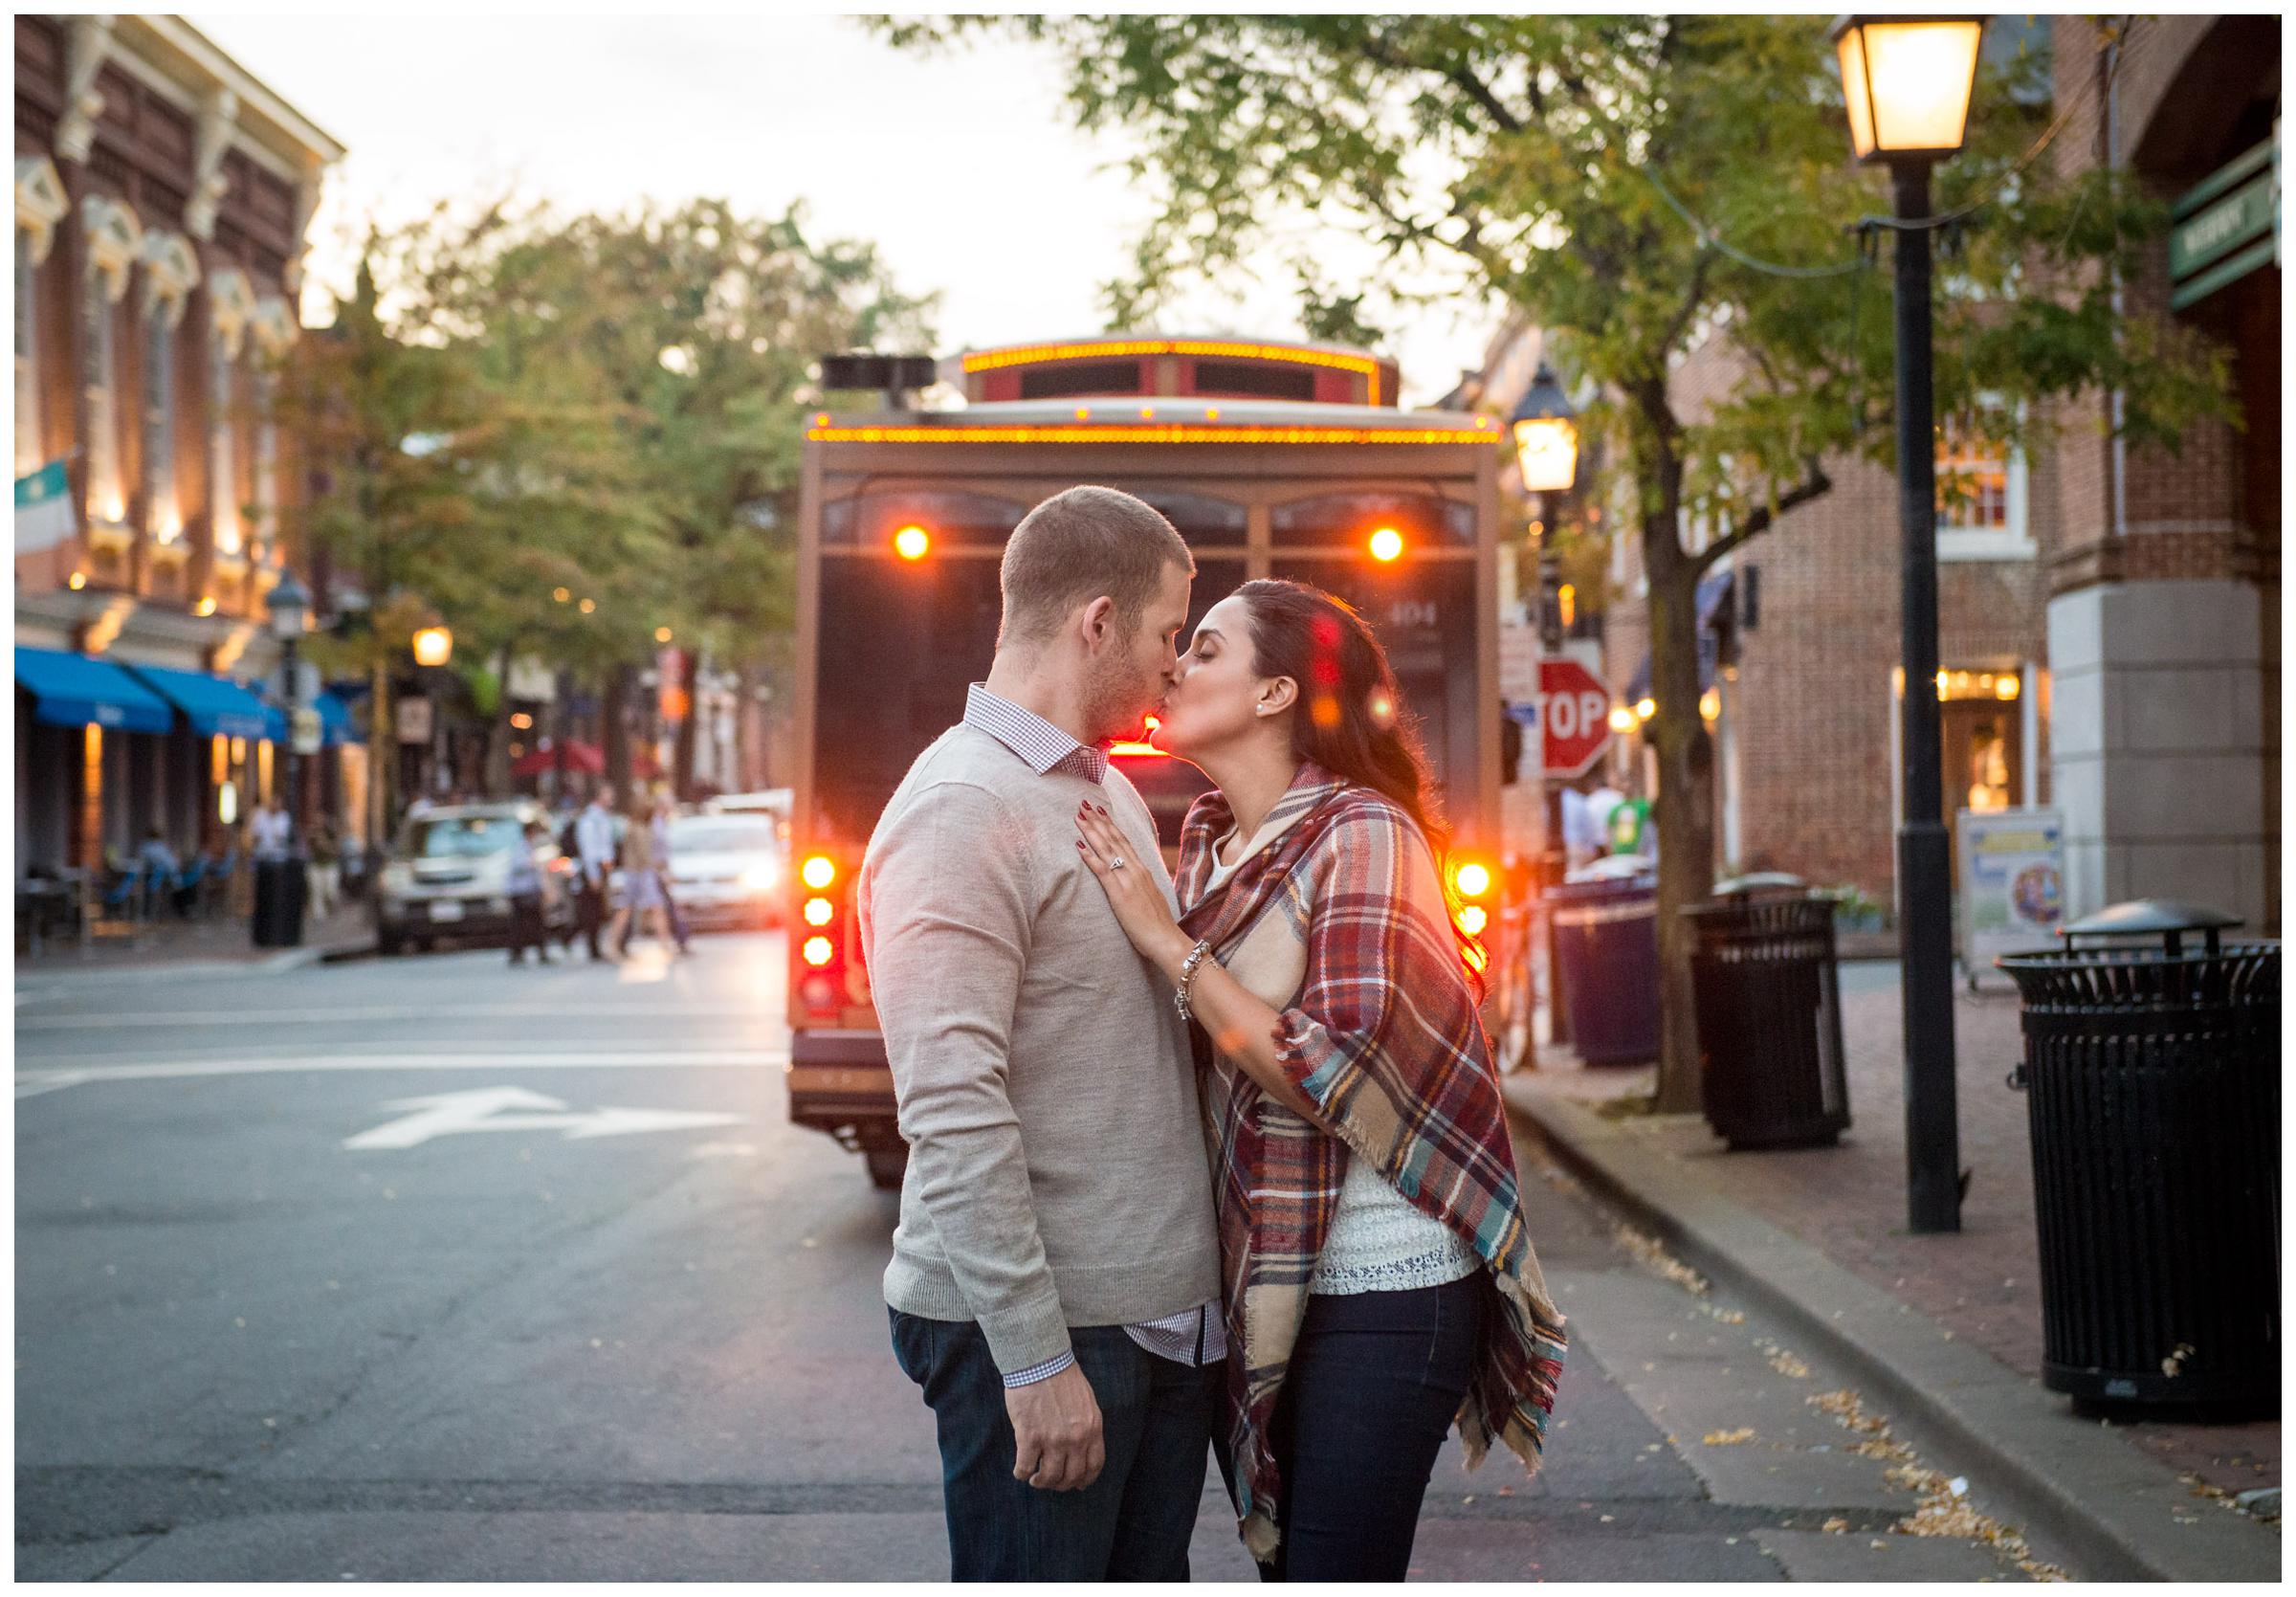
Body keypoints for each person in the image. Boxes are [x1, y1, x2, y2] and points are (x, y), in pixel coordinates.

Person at [1072, 578, 1570, 1580]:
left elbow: (1324, 1064)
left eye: (1207, 649)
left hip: (1389, 1284)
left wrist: (1167, 945)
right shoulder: (1209, 843)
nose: (1176, 665)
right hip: (1266, 1280)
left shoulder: (1366, 834)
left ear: (1275, 694)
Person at [860, 486, 1222, 1582]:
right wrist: (1032, 1361)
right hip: (1054, 1335)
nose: (1177, 665)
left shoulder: (1103, 785)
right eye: (1168, 634)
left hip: (1154, 1326)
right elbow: (953, 1107)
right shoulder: (959, 808)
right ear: (1096, 621)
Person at [620, 786, 691, 958]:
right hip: (648, 871)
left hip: (650, 871)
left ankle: (678, 941)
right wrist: (662, 871)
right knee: (651, 908)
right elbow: (650, 850)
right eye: (670, 802)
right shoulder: (652, 824)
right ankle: (670, 943)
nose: (672, 805)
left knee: (661, 908)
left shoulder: (660, 822)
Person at [605, 794, 674, 956]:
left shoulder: (633, 827)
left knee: (628, 909)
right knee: (656, 908)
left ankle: (613, 945)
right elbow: (645, 855)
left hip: (635, 873)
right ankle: (665, 945)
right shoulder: (641, 829)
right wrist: (661, 871)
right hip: (641, 873)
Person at [573, 785, 617, 962]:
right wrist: (593, 874)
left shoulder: (603, 818)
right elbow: (589, 849)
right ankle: (591, 947)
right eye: (608, 792)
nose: (611, 796)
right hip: (594, 869)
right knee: (592, 909)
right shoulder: (590, 820)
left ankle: (593, 945)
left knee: (598, 909)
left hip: (602, 868)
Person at [505, 818, 553, 965]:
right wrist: (534, 861)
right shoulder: (521, 848)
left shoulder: (532, 848)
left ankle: (541, 953)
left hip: (531, 891)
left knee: (537, 924)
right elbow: (519, 866)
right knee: (521, 925)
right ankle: (517, 954)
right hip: (521, 892)